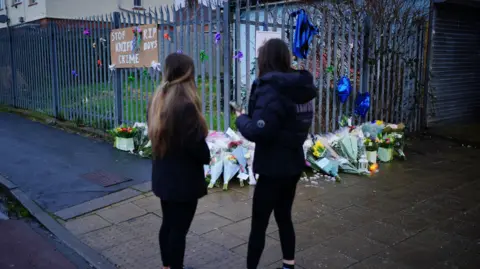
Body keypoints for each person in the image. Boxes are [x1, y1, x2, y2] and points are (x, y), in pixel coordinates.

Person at [235, 38, 317, 269]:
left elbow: (261, 131)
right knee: (284, 217)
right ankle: (288, 265)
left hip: (272, 167)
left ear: (266, 60)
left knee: (259, 224)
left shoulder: (271, 88)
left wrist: (241, 118)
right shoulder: (299, 87)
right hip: (292, 163)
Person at [148, 53, 210, 269]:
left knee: (168, 224)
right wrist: (207, 153)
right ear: (188, 74)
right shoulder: (185, 106)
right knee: (178, 231)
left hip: (164, 177)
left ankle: (167, 266)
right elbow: (198, 150)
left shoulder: (157, 99)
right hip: (183, 182)